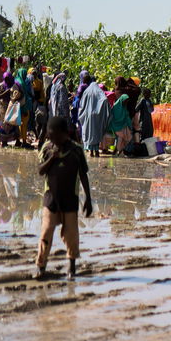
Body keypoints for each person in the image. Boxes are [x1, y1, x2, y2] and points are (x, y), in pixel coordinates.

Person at [34, 117, 93, 280]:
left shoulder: (76, 150)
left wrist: (88, 198)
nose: (53, 138)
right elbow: (40, 171)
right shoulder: (47, 148)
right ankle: (41, 266)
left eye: (56, 135)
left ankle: (72, 267)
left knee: (71, 234)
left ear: (65, 134)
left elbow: (83, 174)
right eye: (50, 135)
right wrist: (52, 158)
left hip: (70, 198)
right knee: (46, 232)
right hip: (50, 198)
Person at [78, 78, 111, 157]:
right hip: (97, 115)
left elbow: (82, 105)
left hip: (87, 116)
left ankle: (91, 152)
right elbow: (105, 99)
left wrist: (82, 113)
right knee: (96, 133)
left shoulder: (87, 91)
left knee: (89, 133)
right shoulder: (99, 91)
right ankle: (96, 151)